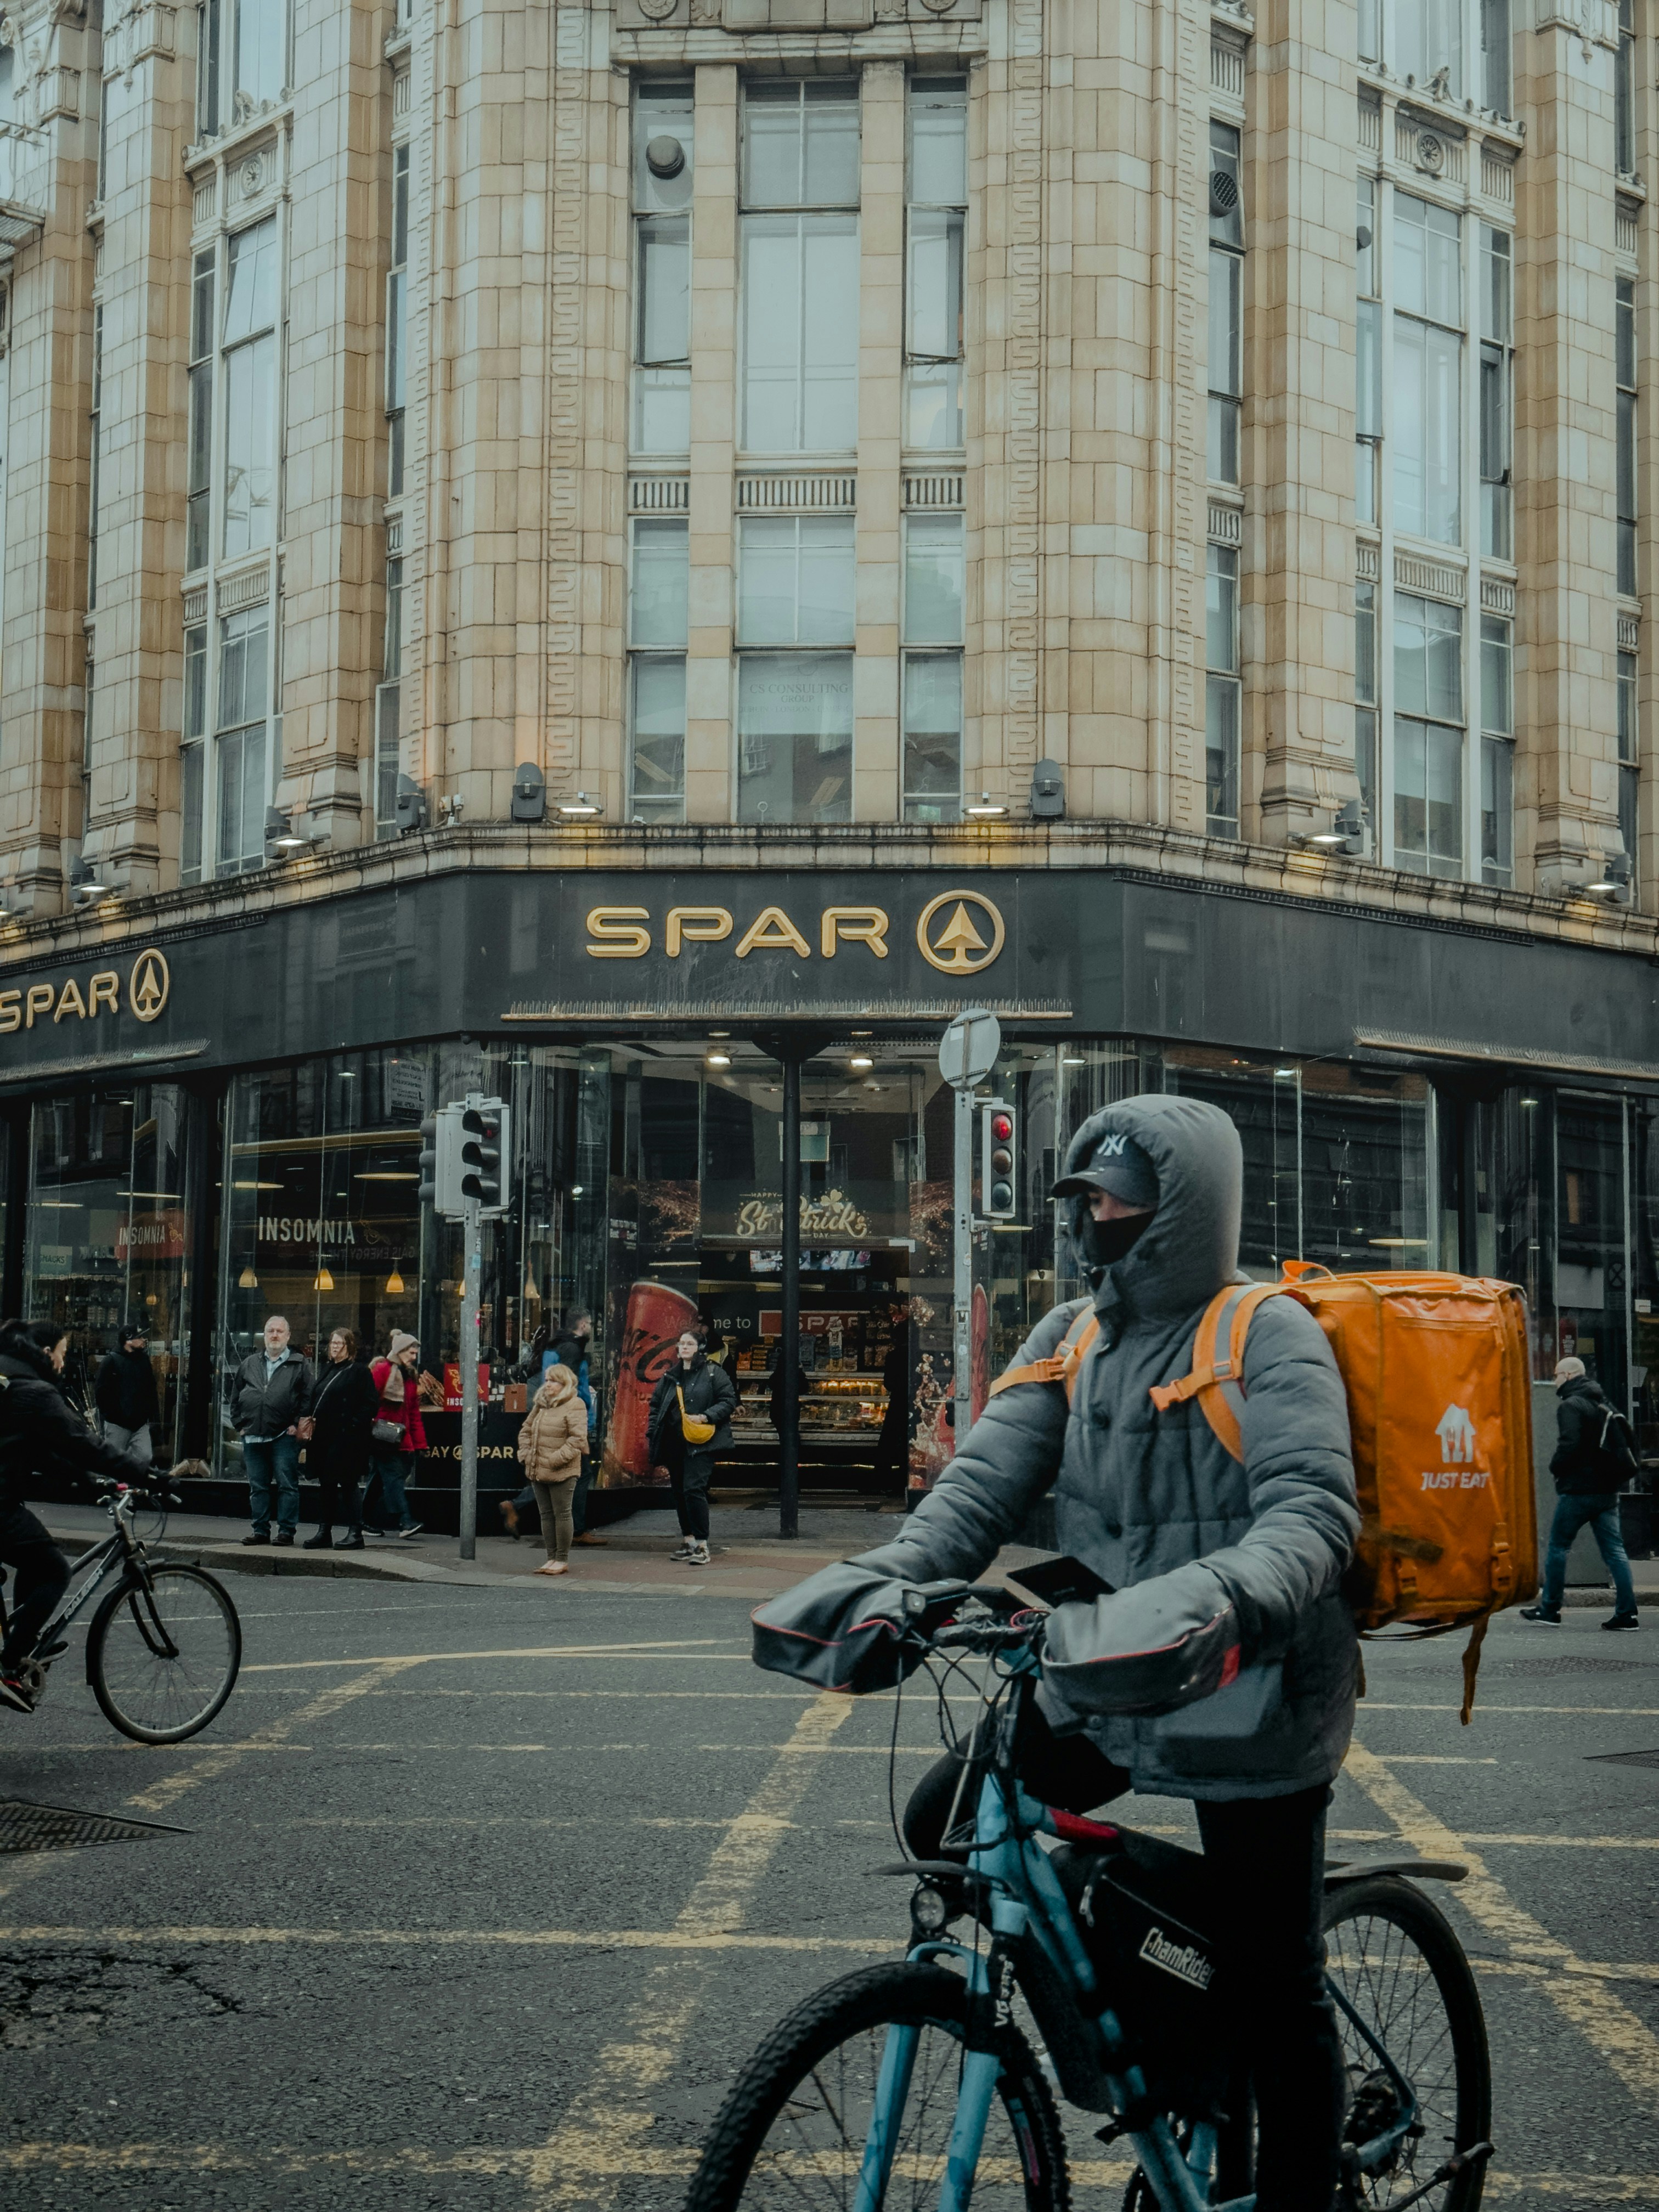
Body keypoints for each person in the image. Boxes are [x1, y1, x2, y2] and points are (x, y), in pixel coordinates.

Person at [772, 1097, 1359, 2212]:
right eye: (1078, 1199)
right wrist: (894, 1578)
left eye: (1105, 1198)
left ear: (1176, 1207)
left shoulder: (1266, 1330)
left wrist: (1223, 1596)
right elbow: (983, 1484)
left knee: (1276, 1982)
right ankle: (1160, 2035)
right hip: (1105, 1665)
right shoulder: (1071, 1334)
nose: (1084, 1220)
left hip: (1252, 1685)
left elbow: (1313, 1516)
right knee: (948, 1824)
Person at [0, 1319, 151, 1713]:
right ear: (47, 1352)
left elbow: (40, 1453)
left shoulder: (9, 1378)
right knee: (54, 1570)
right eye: (64, 1354)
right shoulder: (34, 1392)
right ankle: (9, 1668)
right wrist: (151, 1475)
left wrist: (90, 1484)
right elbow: (84, 1445)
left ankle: (22, 1643)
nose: (64, 1364)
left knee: (35, 1553)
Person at [1522, 1353, 1641, 1630]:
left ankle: (1550, 1610)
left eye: (1556, 1375)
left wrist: (1556, 1467)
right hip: (1607, 1492)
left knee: (1558, 1547)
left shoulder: (1571, 1405)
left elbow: (1569, 1444)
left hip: (1578, 1490)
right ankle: (1627, 1614)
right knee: (1615, 1551)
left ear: (1569, 1376)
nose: (1554, 1380)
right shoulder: (1602, 1402)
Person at [647, 1328, 736, 1567]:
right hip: (674, 1443)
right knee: (679, 1492)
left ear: (700, 1348)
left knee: (693, 1490)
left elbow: (728, 1400)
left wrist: (706, 1417)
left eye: (689, 1344)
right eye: (681, 1344)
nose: (684, 1348)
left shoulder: (713, 1373)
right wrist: (652, 1432)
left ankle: (702, 1544)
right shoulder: (671, 1376)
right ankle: (688, 1541)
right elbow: (656, 1406)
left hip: (701, 1443)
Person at [233, 1314, 315, 1548]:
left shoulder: (299, 1364)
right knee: (257, 1487)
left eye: (280, 1331)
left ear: (288, 1336)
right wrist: (240, 1425)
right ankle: (260, 1531)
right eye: (271, 1331)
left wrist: (297, 1423)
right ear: (265, 1335)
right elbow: (235, 1396)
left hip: (283, 1436)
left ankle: (286, 1532)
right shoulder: (250, 1363)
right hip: (253, 1435)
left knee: (286, 1485)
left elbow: (308, 1398)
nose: (275, 1335)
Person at [303, 1328, 378, 1550]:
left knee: (348, 1484)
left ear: (350, 1347)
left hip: (347, 1440)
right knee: (326, 1485)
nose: (335, 1347)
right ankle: (324, 1531)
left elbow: (371, 1404)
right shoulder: (328, 1369)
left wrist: (352, 1426)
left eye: (340, 1344)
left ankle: (356, 1533)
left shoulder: (359, 1371)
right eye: (333, 1343)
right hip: (324, 1438)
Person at [515, 1363, 589, 1576]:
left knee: (562, 1514)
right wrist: (526, 1454)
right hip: (538, 1469)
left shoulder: (575, 1405)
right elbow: (526, 1430)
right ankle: (551, 1558)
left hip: (562, 1471)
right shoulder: (542, 1404)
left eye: (553, 1381)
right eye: (547, 1380)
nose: (548, 1384)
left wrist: (555, 1460)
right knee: (546, 1515)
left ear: (564, 1383)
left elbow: (577, 1439)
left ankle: (562, 1559)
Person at [363, 1330, 426, 1538]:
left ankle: (361, 1519)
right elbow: (367, 1400)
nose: (414, 1357)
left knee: (380, 1479)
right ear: (400, 1351)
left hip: (398, 1436)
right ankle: (405, 1521)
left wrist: (420, 1444)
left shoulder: (409, 1377)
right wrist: (369, 1425)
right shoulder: (382, 1370)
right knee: (394, 1477)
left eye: (416, 1353)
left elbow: (413, 1413)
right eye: (411, 1352)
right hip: (382, 1436)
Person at [94, 1322, 161, 1469]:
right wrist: (113, 1415)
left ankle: (130, 1483)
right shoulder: (111, 1361)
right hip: (118, 1423)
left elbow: (151, 1389)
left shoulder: (144, 1361)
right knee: (113, 1462)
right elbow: (101, 1392)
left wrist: (149, 1414)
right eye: (140, 1338)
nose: (144, 1340)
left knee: (145, 1457)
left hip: (139, 1423)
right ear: (128, 1340)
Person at [873, 1301, 913, 1493]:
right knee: (909, 1443)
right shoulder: (917, 1357)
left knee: (888, 1443)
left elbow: (888, 1384)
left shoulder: (893, 1356)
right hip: (914, 1403)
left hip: (897, 1402)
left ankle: (881, 1480)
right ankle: (905, 1481)